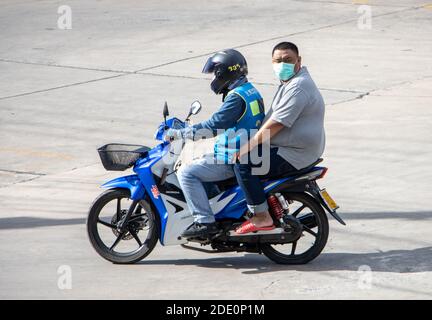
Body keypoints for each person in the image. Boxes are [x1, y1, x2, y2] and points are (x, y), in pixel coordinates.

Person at [164, 49, 265, 238]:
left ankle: (204, 222)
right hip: (249, 153)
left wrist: (180, 133)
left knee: (186, 173)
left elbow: (213, 126)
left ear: (224, 73)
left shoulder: (236, 98)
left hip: (232, 158)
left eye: (214, 74)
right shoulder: (249, 90)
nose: (212, 79)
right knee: (201, 160)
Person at [233, 41, 326, 234]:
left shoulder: (298, 87)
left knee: (244, 162)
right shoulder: (292, 81)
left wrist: (248, 145)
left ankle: (261, 215)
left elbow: (277, 123)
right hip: (295, 147)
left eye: (288, 60)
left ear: (298, 61)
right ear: (272, 62)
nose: (282, 65)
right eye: (278, 61)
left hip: (295, 153)